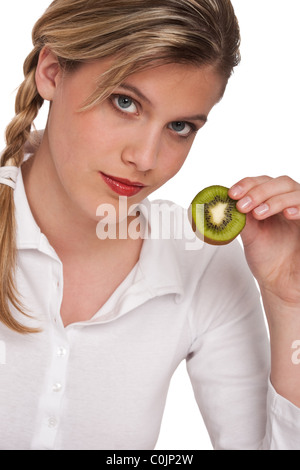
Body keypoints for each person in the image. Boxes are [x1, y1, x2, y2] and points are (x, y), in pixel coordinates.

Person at [0, 0, 300, 451]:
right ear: (52, 72)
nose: (145, 159)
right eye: (126, 102)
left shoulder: (202, 264)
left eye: (179, 126)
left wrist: (289, 301)